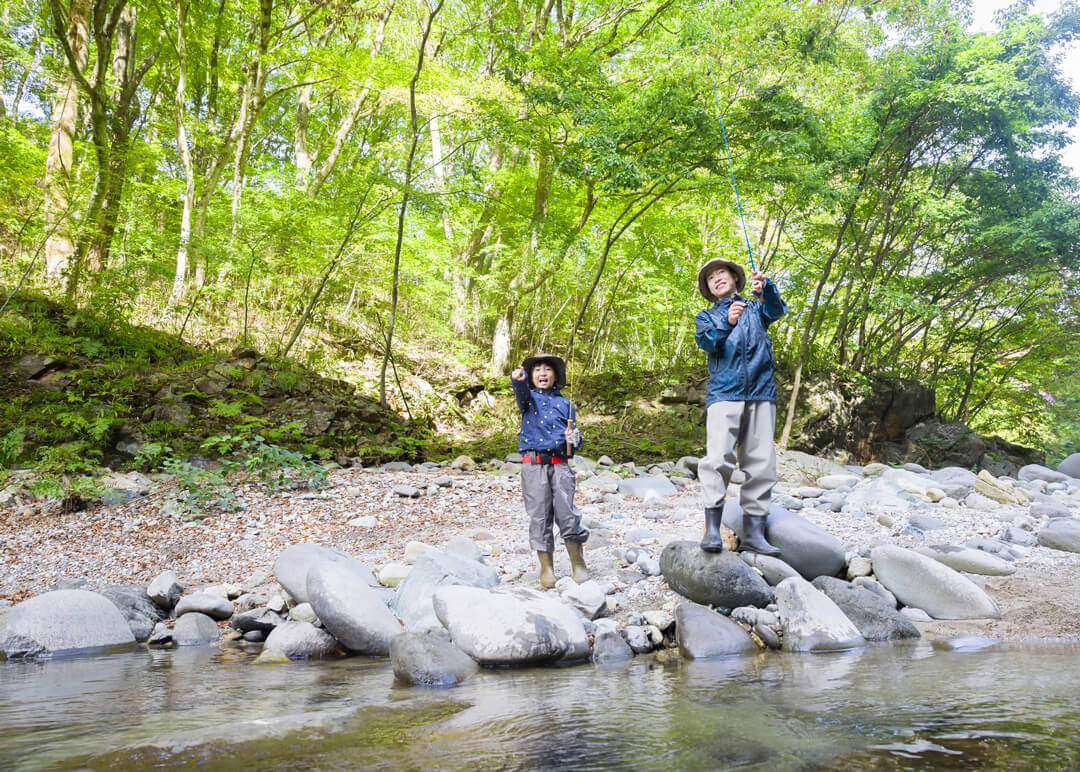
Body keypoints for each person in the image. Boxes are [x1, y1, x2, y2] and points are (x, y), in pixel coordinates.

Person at [694, 257, 786, 556]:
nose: (717, 279)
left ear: (735, 278)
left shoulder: (757, 309)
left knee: (761, 464)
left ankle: (754, 535)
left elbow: (777, 309)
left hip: (761, 393)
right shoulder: (706, 317)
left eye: (721, 273)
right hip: (724, 393)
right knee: (717, 459)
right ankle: (712, 530)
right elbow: (708, 343)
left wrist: (767, 286)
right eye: (710, 278)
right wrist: (728, 321)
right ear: (708, 288)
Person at [511, 353, 589, 588]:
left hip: (561, 465)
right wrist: (519, 381)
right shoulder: (527, 400)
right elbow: (521, 393)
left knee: (567, 514)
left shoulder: (567, 404)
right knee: (539, 515)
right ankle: (547, 568)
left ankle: (578, 563)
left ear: (556, 376)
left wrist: (574, 438)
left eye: (547, 369)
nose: (542, 373)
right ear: (531, 376)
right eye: (537, 370)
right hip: (533, 466)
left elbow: (575, 444)